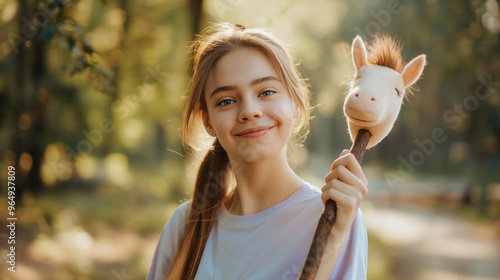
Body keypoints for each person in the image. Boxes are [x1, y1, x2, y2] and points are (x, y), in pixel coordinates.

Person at [147, 22, 368, 280]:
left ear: (296, 103)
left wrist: (334, 237)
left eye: (266, 92)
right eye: (226, 101)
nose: (249, 111)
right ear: (208, 121)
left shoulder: (338, 217)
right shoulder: (183, 226)